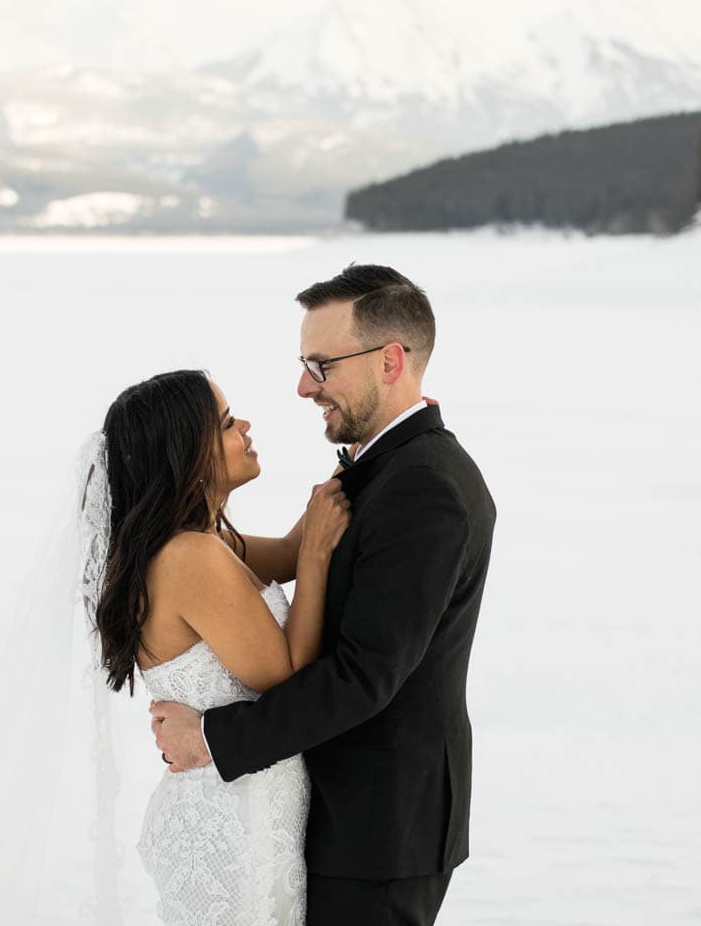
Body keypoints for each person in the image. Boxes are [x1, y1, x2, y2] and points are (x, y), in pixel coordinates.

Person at [152, 265, 497, 926]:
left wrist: (213, 740)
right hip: (344, 820)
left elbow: (364, 676)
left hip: (380, 830)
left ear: (390, 360)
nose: (304, 386)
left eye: (321, 365)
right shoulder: (381, 470)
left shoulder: (426, 488)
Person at [95, 369, 352, 925]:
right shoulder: (191, 557)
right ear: (187, 452)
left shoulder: (202, 543)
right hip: (236, 820)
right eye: (227, 422)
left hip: (233, 803)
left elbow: (286, 550)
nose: (246, 426)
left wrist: (359, 454)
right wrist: (317, 561)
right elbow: (285, 676)